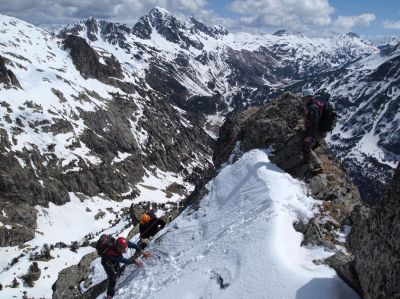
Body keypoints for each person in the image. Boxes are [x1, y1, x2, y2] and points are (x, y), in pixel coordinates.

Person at [301, 89, 324, 173]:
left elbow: (314, 123)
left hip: (313, 132)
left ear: (308, 98)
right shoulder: (314, 105)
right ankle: (310, 162)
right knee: (309, 147)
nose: (303, 100)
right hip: (315, 132)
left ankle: (318, 165)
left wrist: (309, 136)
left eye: (304, 98)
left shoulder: (312, 108)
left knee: (306, 147)